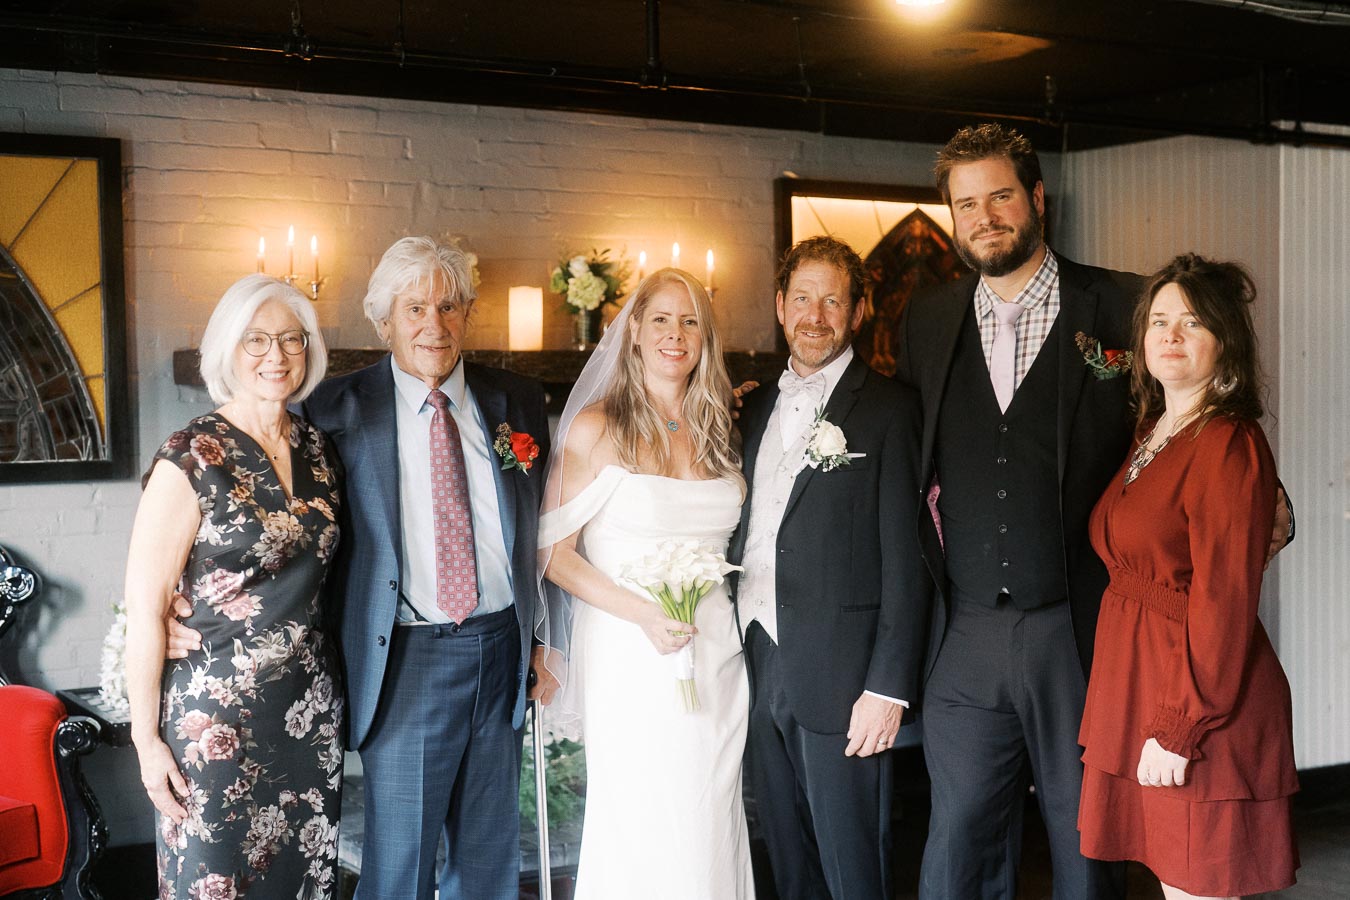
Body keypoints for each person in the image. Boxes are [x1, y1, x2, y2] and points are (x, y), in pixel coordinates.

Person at [895, 123, 1293, 900]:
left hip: (1083, 629)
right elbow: (904, 444)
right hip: (967, 633)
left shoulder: (1121, 304)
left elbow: (1192, 428)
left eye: (1000, 195)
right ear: (951, 216)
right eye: (965, 203)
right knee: (957, 844)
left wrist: (1268, 512)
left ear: (1036, 198)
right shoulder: (928, 318)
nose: (984, 216)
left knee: (1090, 846)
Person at [170, 237, 554, 898]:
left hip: (502, 649)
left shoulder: (517, 402)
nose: (434, 325)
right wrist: (178, 597)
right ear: (384, 321)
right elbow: (254, 515)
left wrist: (545, 639)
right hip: (405, 660)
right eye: (414, 309)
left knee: (490, 856)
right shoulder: (333, 410)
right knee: (399, 862)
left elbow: (548, 529)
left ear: (467, 313)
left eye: (449, 306)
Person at [1077, 254, 1298, 899]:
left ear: (1225, 345)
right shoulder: (1157, 430)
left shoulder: (1229, 441)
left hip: (1198, 703)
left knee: (1198, 891)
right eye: (1160, 321)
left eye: (1193, 323)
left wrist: (1181, 726)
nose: (1171, 336)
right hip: (1141, 688)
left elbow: (1224, 601)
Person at [125, 274, 343, 899]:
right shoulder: (192, 455)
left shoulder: (320, 450)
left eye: (291, 339)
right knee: (213, 885)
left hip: (308, 714)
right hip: (215, 723)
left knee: (302, 884)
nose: (276, 356)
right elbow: (145, 610)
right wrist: (146, 743)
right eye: (256, 340)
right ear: (226, 348)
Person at [538, 268, 754, 899]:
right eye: (660, 318)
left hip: (716, 651)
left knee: (712, 815)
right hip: (634, 651)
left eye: (690, 321)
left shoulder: (720, 430)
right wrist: (643, 615)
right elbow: (552, 554)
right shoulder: (596, 428)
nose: (675, 334)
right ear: (633, 330)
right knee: (649, 814)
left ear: (705, 337)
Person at [731, 236, 930, 900]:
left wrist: (888, 687)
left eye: (834, 300)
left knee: (853, 869)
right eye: (804, 299)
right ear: (781, 305)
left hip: (847, 679)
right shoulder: (752, 406)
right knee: (785, 860)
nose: (816, 316)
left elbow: (909, 559)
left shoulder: (891, 410)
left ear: (859, 311)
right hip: (754, 660)